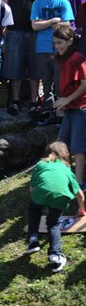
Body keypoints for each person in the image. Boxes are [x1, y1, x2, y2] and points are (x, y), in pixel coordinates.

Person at [26, 141, 85, 273]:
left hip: (39, 193)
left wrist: (38, 199)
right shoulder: (66, 168)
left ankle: (33, 240)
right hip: (59, 196)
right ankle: (55, 257)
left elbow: (32, 187)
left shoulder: (41, 164)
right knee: (53, 224)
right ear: (66, 154)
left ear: (47, 152)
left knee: (34, 210)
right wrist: (81, 209)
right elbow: (79, 194)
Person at [4, 0, 44, 116]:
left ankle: (34, 101)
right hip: (14, 29)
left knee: (36, 69)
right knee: (15, 67)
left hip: (36, 31)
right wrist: (4, 25)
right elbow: (5, 1)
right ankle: (15, 100)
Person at [31, 0, 73, 125]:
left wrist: (48, 23)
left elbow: (67, 24)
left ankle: (60, 111)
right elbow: (35, 25)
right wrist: (53, 21)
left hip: (59, 49)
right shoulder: (38, 2)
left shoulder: (63, 1)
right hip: (42, 47)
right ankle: (47, 110)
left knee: (60, 80)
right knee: (46, 81)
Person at [52, 25, 86, 190]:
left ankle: (79, 184)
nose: (57, 46)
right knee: (61, 145)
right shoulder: (63, 59)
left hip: (81, 107)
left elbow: (84, 84)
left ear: (70, 41)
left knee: (78, 147)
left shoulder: (77, 57)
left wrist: (66, 100)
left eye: (60, 42)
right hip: (70, 106)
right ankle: (64, 181)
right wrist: (63, 103)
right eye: (55, 43)